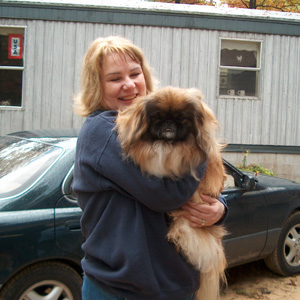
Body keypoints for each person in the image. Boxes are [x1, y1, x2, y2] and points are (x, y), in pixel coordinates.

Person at [73, 36, 228, 300]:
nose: (129, 85)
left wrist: (219, 208)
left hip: (174, 284)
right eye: (114, 79)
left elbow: (193, 181)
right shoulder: (105, 130)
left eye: (135, 73)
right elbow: (168, 194)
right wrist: (201, 137)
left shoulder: (144, 123)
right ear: (96, 86)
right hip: (123, 290)